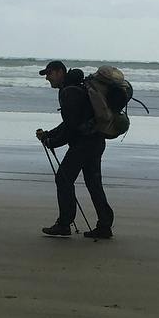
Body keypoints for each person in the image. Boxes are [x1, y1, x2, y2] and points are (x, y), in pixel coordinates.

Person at [35, 60, 114, 239]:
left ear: (59, 72)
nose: (47, 78)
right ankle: (105, 225)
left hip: (84, 144)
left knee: (63, 179)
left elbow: (71, 127)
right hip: (95, 141)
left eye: (49, 74)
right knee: (93, 184)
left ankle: (64, 224)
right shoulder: (78, 88)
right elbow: (71, 123)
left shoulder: (69, 92)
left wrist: (51, 141)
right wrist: (50, 134)